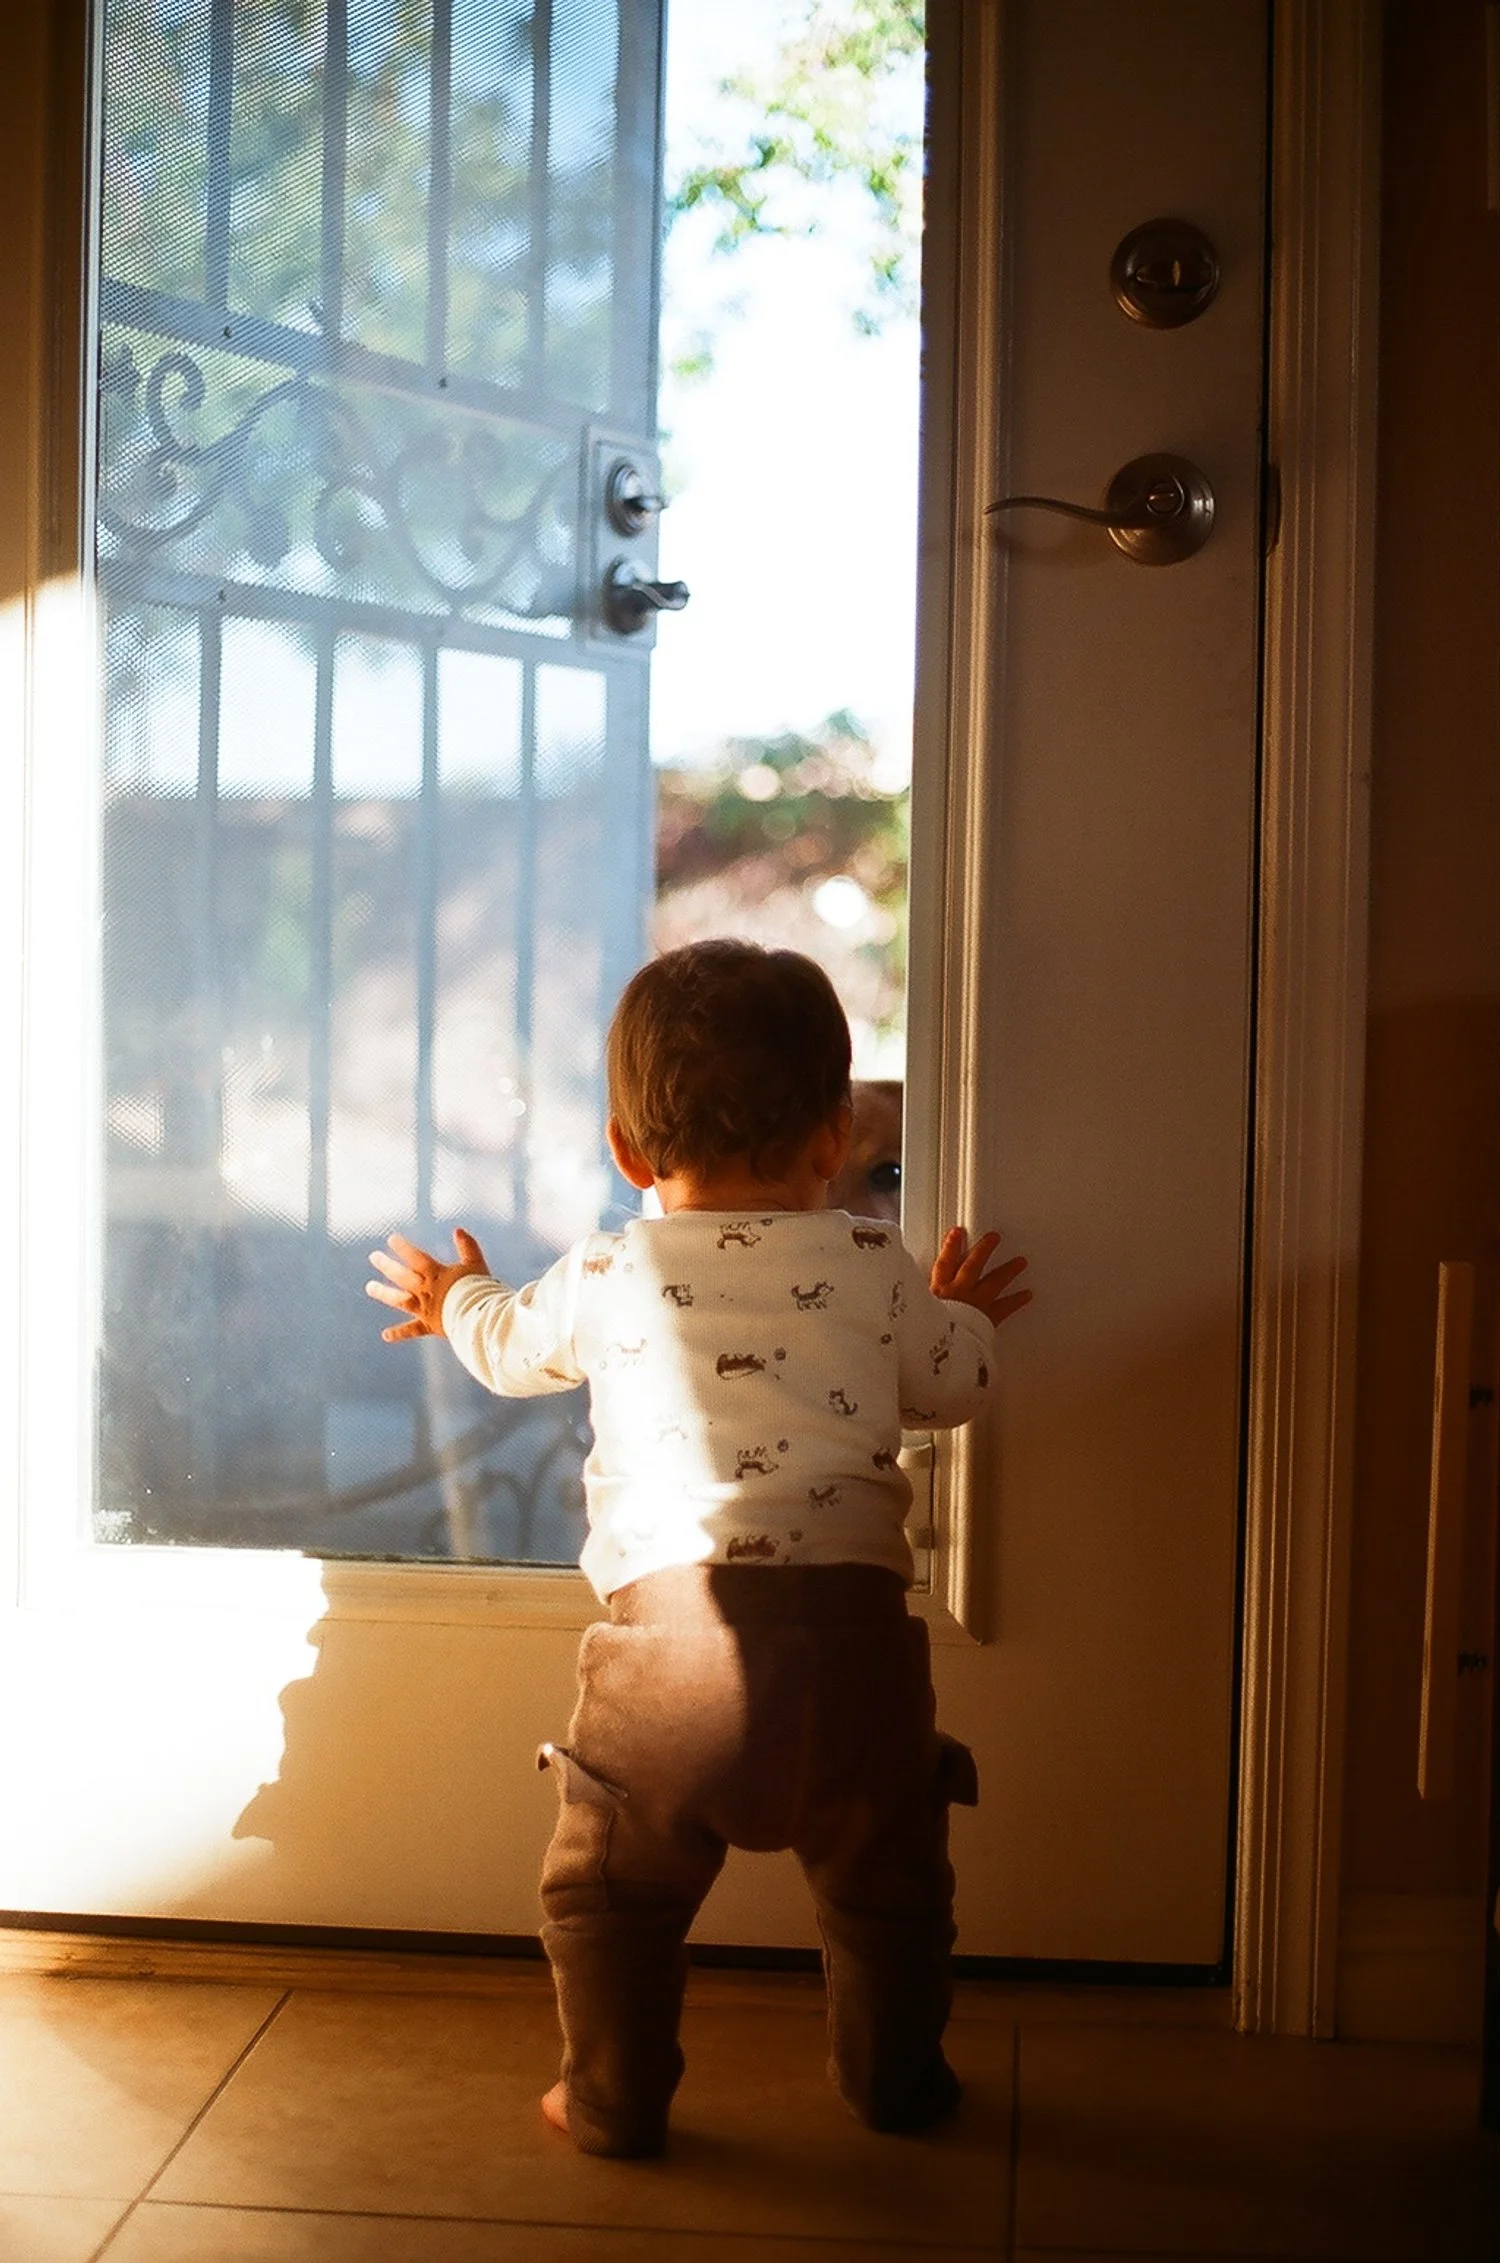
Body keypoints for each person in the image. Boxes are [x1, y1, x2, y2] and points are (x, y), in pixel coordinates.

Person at [366, 939, 1031, 2158]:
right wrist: (967, 1317)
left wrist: (456, 1294)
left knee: (609, 1899)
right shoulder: (872, 1265)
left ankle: (614, 2100)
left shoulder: (610, 1266)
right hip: (857, 1666)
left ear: (627, 1154)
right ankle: (894, 2084)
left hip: (666, 1667)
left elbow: (508, 1349)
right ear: (833, 1136)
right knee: (889, 1899)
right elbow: (952, 1388)